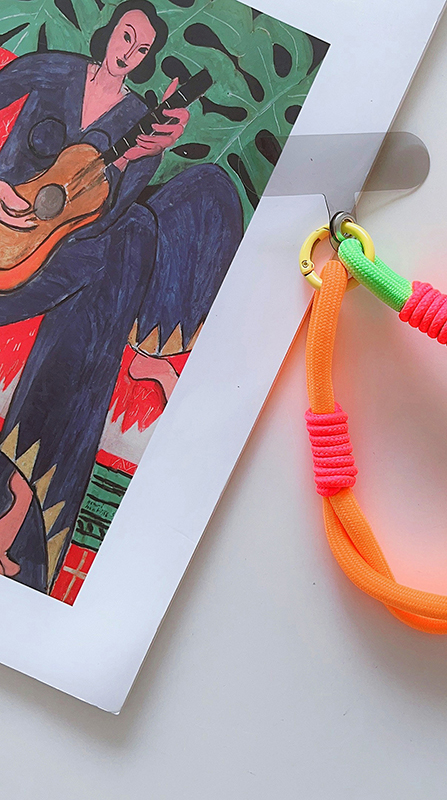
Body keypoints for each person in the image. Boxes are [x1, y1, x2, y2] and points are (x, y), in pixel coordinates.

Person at [0, 0, 243, 591]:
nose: (128, 52)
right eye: (126, 36)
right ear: (110, 32)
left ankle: (22, 502)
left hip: (60, 259)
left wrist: (138, 156)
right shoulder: (53, 70)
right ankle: (21, 507)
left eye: (141, 48)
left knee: (138, 229)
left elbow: (102, 217)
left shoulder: (138, 117)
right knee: (129, 242)